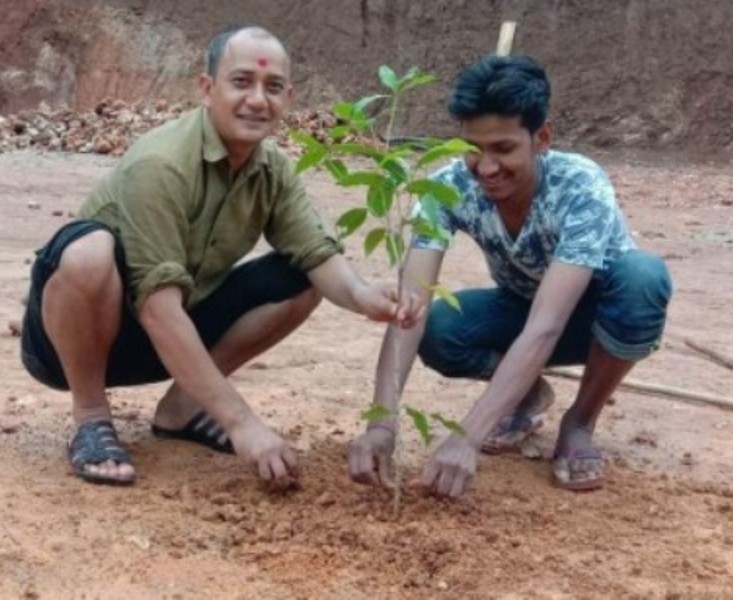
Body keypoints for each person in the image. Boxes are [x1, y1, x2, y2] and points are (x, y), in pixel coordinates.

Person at [20, 26, 422, 488]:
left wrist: (364, 296)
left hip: (166, 340)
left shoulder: (271, 169)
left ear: (289, 97)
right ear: (206, 89)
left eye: (272, 88)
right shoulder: (162, 164)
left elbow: (315, 253)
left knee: (303, 275)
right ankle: (91, 417)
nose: (257, 99)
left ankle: (182, 409)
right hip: (72, 343)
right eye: (241, 81)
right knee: (88, 252)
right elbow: (158, 309)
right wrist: (241, 422)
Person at [347, 54, 672, 497]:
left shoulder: (580, 186)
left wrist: (468, 437)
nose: (485, 167)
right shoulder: (446, 188)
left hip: (592, 321)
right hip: (520, 308)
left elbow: (547, 325)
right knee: (439, 326)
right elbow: (411, 305)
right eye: (472, 149)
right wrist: (381, 425)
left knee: (643, 277)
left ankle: (579, 422)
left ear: (541, 138)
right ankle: (525, 398)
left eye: (503, 149)